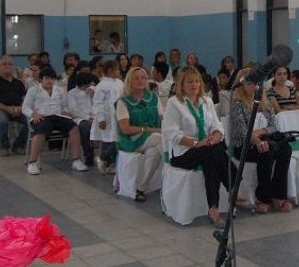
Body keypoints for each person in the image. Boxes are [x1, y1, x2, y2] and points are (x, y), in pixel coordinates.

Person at [163, 67, 233, 226]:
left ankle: (213, 209)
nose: (194, 84)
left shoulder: (206, 101)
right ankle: (233, 188)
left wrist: (215, 136)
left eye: (197, 81)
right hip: (183, 153)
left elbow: (217, 125)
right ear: (182, 85)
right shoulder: (174, 103)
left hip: (207, 149)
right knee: (212, 151)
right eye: (189, 82)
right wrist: (195, 143)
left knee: (211, 156)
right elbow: (170, 132)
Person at [230, 68, 294, 214]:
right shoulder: (237, 103)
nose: (253, 86)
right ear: (242, 85)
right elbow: (242, 131)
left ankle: (279, 196)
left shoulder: (265, 101)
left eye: (256, 83)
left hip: (265, 138)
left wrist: (260, 132)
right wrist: (256, 140)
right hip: (244, 145)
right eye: (249, 83)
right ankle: (264, 198)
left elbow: (272, 125)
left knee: (286, 149)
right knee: (266, 151)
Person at [22, 68, 89, 175]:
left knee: (74, 128)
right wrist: (33, 114)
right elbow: (25, 107)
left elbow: (65, 105)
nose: (50, 81)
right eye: (47, 78)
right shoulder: (33, 90)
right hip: (41, 117)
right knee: (41, 131)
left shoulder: (59, 90)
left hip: (58, 116)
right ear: (41, 79)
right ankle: (33, 163)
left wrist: (66, 111)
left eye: (52, 79)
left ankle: (76, 160)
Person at [116, 67, 163, 202]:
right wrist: (148, 130)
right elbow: (126, 129)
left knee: (154, 152)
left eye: (143, 78)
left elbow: (162, 119)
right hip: (132, 139)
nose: (140, 81)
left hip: (153, 137)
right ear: (129, 81)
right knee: (159, 138)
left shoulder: (153, 98)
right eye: (136, 78)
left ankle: (140, 188)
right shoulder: (123, 101)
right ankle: (172, 173)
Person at [0, 56, 29, 155]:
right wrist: (7, 108)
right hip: (0, 109)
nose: (7, 66)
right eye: (4, 64)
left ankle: (18, 145)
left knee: (31, 120)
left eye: (10, 64)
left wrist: (20, 108)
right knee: (1, 120)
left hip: (18, 109)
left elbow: (25, 99)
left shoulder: (18, 83)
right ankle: (4, 145)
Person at [91, 60, 123, 174]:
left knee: (117, 139)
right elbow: (98, 103)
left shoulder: (120, 83)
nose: (119, 71)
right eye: (117, 69)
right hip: (107, 117)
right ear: (110, 71)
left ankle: (112, 163)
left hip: (119, 115)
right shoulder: (102, 85)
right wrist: (101, 119)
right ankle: (103, 159)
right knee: (109, 140)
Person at [67, 72, 96, 166]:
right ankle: (89, 155)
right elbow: (74, 110)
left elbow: (97, 105)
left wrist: (94, 95)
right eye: (86, 85)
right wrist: (88, 118)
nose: (88, 86)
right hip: (79, 118)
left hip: (94, 116)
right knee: (84, 127)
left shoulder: (93, 90)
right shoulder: (71, 93)